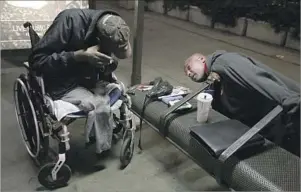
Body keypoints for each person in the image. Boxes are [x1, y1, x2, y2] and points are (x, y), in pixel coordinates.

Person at [29, 8, 132, 161]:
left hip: (89, 78)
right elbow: (37, 61)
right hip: (62, 82)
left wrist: (109, 64)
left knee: (112, 93)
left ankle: (99, 138)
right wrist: (77, 56)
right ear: (99, 39)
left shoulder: (115, 24)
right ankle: (97, 142)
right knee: (98, 105)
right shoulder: (69, 21)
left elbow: (120, 55)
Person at [184, 50, 300, 156]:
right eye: (187, 74)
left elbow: (258, 79)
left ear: (201, 59)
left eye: (189, 67)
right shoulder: (215, 74)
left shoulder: (224, 62)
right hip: (265, 125)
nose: (189, 74)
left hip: (283, 122)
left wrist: (290, 100)